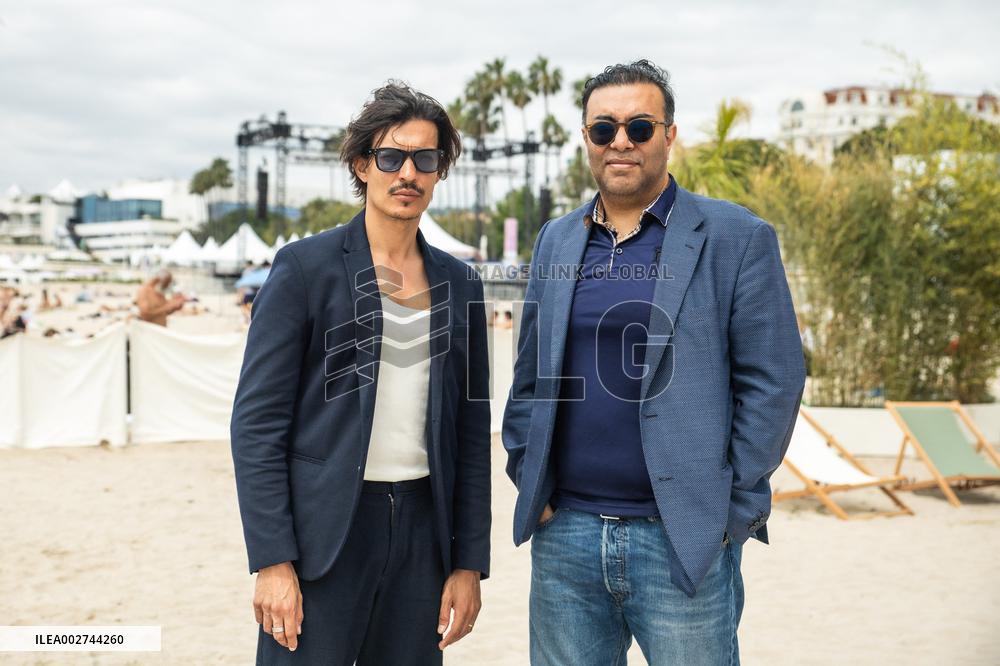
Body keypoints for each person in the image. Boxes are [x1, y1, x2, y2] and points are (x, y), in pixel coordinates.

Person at [502, 60, 806, 665]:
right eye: (604, 128)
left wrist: (730, 506)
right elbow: (532, 371)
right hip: (567, 535)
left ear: (669, 136)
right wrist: (524, 469)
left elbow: (774, 380)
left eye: (639, 127)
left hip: (682, 541)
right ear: (586, 137)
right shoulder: (556, 240)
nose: (621, 141)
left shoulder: (736, 237)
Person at [231, 81, 491, 665]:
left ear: (438, 171)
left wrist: (468, 560)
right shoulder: (305, 269)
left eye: (425, 159)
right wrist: (272, 560)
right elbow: (256, 425)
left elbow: (472, 432)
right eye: (391, 157)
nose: (408, 173)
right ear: (361, 164)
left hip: (424, 533)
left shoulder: (460, 282)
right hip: (323, 536)